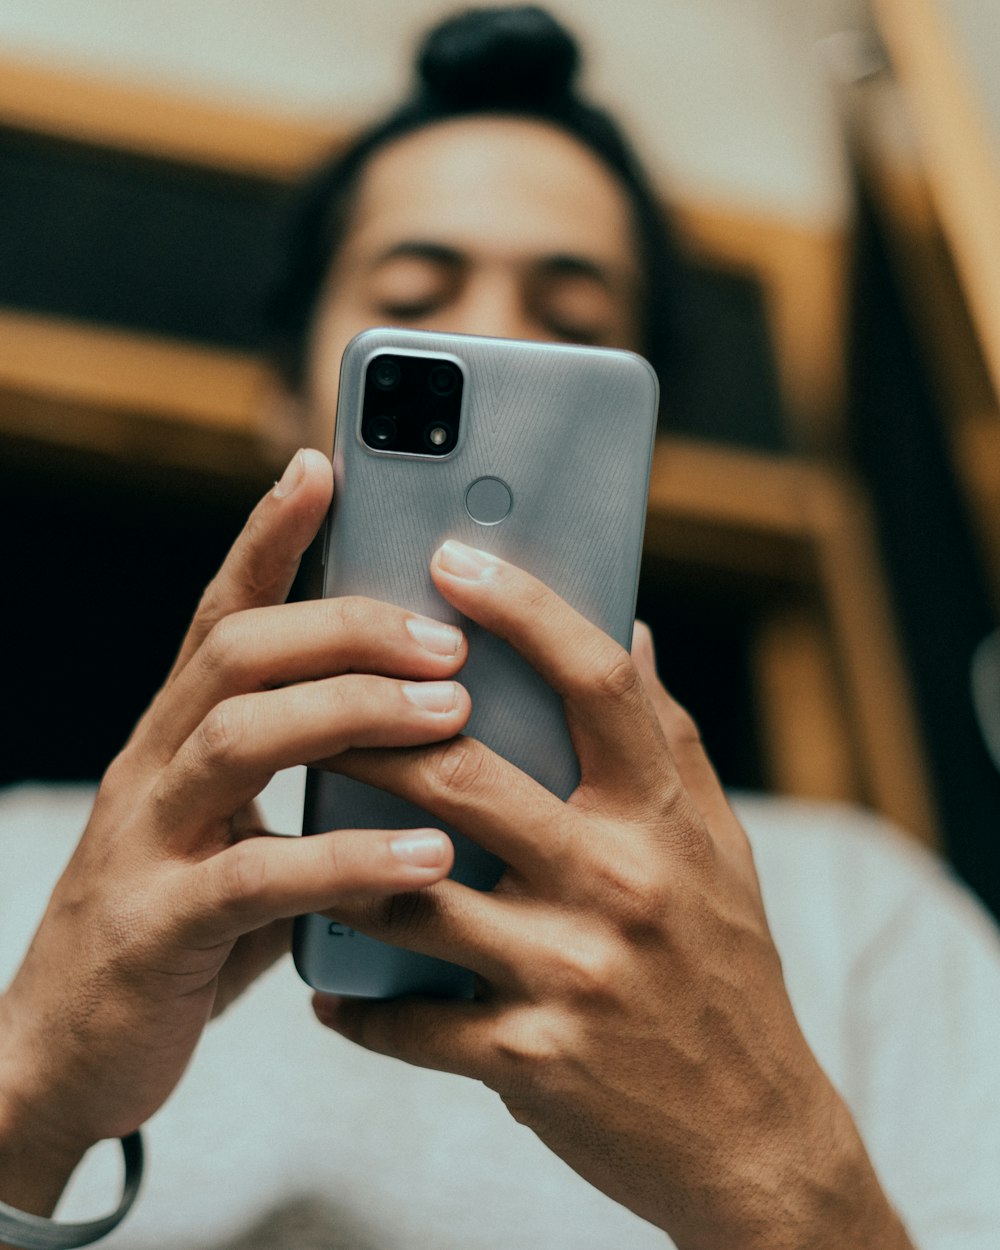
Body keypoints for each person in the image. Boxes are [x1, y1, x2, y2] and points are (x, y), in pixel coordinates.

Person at [2, 8, 999, 1249]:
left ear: (648, 445)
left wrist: (775, 1162)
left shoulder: (862, 908)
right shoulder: (25, 870)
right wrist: (28, 1091)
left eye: (574, 321)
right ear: (283, 401)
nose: (496, 340)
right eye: (415, 301)